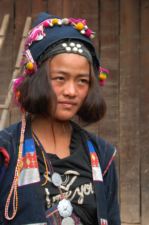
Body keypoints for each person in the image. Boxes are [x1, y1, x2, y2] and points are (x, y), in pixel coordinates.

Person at [0, 12, 120, 225]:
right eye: (60, 78)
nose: (71, 91)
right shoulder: (6, 151)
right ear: (37, 80)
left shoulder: (102, 155)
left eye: (82, 81)